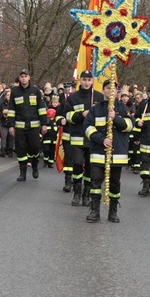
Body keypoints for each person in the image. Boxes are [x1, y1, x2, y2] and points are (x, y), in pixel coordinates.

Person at [82, 79, 133, 223]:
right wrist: (101, 139)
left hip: (117, 154)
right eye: (107, 88)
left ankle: (113, 211)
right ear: (103, 90)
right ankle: (94, 211)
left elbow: (129, 126)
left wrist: (115, 118)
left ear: (116, 92)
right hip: (98, 152)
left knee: (115, 184)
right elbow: (87, 128)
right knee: (95, 182)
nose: (109, 91)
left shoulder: (123, 108)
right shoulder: (95, 109)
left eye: (113, 89)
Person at [59, 70, 103, 205]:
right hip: (77, 136)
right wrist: (81, 114)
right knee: (77, 164)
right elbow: (67, 115)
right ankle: (77, 192)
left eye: (89, 80)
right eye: (84, 79)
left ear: (92, 81)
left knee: (90, 167)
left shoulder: (99, 97)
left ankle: (86, 194)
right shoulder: (73, 98)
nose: (87, 82)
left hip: (93, 138)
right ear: (80, 80)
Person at [7, 69, 48, 182]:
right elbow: (11, 110)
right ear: (19, 78)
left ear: (29, 77)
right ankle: (22, 172)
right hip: (20, 127)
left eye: (25, 76)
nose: (24, 78)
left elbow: (41, 109)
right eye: (22, 76)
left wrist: (44, 124)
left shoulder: (35, 91)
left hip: (33, 127)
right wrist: (10, 125)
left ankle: (35, 165)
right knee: (21, 150)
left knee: (35, 148)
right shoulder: (15, 91)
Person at [0, 88, 14, 157]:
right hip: (3, 122)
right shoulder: (1, 103)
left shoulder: (14, 104)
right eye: (7, 95)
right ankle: (3, 151)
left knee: (11, 138)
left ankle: (10, 151)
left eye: (10, 95)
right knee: (4, 137)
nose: (8, 97)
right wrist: (2, 115)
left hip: (11, 123)